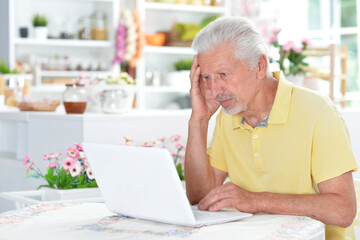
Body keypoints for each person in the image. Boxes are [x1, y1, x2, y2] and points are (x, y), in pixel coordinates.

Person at [184, 16, 358, 240]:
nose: (215, 89)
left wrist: (256, 200)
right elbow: (200, 198)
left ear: (259, 65)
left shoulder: (318, 111)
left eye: (223, 74)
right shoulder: (228, 115)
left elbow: (343, 210)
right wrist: (198, 119)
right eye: (206, 77)